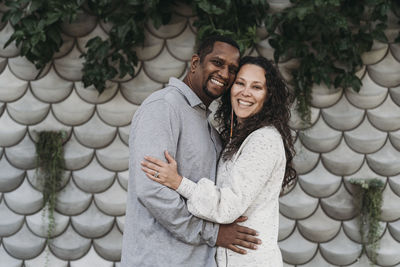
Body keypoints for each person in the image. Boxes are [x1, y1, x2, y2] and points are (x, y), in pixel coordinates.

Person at [141, 56, 297, 267]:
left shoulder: (264, 139)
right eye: (240, 83)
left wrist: (179, 183)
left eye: (256, 87)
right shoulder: (239, 138)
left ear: (268, 96)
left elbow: (228, 206)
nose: (245, 92)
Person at [121, 36, 261, 267]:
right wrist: (212, 233)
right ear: (196, 63)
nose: (225, 74)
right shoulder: (164, 107)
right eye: (217, 63)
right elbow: (152, 190)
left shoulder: (205, 123)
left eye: (232, 69)